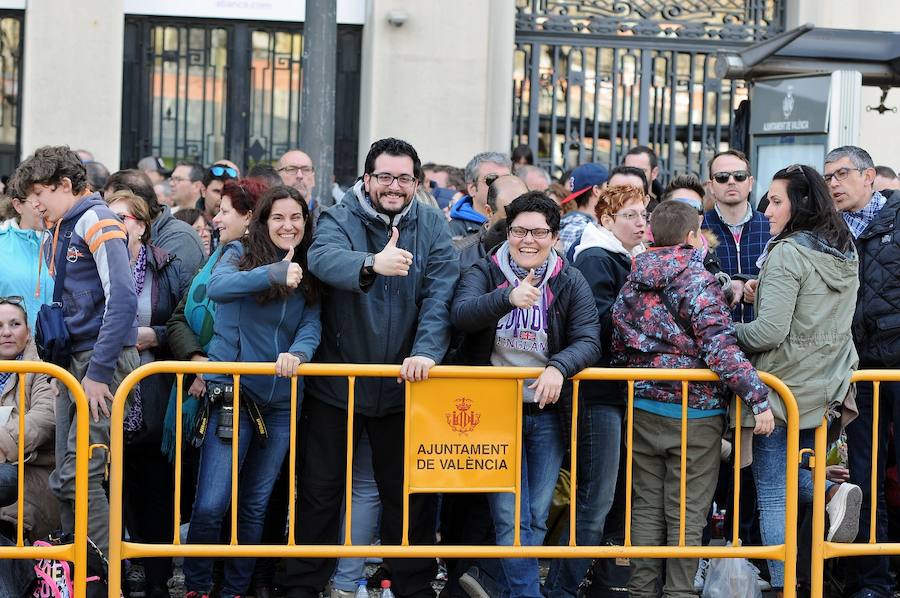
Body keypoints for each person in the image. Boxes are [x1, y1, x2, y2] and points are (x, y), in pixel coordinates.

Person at [281, 137, 458, 598]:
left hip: (404, 386)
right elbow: (320, 259)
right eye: (384, 177)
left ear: (417, 183)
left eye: (403, 178)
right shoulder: (341, 216)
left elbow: (440, 297)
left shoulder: (433, 224)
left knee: (407, 497)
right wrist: (371, 263)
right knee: (320, 492)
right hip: (338, 383)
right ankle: (303, 585)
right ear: (367, 179)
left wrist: (426, 353)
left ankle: (412, 586)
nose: (393, 186)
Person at [611, 200, 774, 598]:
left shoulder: (633, 280)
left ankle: (641, 591)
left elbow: (617, 341)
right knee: (686, 511)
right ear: (690, 237)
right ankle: (680, 593)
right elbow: (721, 349)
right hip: (695, 411)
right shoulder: (697, 281)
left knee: (647, 508)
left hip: (643, 405)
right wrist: (759, 399)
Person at [451, 192, 601, 598]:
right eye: (520, 230)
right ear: (509, 231)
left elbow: (589, 339)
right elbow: (461, 314)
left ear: (554, 236)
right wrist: (507, 297)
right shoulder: (486, 270)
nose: (528, 240)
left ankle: (492, 581)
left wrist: (559, 366)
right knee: (508, 516)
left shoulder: (569, 279)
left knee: (534, 516)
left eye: (538, 232)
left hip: (546, 411)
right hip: (494, 411)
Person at [183, 185, 322, 598]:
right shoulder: (236, 253)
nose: (288, 225)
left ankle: (235, 591)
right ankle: (196, 587)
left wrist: (300, 352)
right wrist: (274, 272)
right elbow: (218, 289)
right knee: (211, 503)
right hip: (233, 394)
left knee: (255, 504)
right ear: (263, 222)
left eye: (296, 217)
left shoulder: (311, 264)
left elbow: (312, 321)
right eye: (278, 217)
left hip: (281, 399)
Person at [734, 164, 862, 595]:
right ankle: (831, 492)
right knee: (790, 478)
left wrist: (727, 334)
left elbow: (769, 331)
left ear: (800, 204)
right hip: (830, 383)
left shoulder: (787, 252)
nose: (765, 210)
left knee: (772, 492)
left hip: (783, 387)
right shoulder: (845, 248)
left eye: (775, 201)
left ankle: (781, 585)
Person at [13, 145, 140, 556]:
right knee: (68, 477)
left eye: (41, 193)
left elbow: (122, 299)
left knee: (82, 475)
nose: (35, 203)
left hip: (98, 361)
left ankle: (103, 574)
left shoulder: (97, 219)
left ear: (65, 185)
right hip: (75, 361)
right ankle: (80, 568)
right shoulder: (64, 225)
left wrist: (100, 373)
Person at [545, 184, 646, 598]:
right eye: (631, 216)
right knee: (595, 497)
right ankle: (562, 588)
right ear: (606, 220)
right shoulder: (595, 257)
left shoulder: (627, 257)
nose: (642, 223)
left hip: (620, 390)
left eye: (644, 214)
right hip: (597, 391)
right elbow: (600, 325)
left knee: (611, 496)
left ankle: (591, 584)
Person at [825, 145, 900, 598]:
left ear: (869, 176)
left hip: (898, 364)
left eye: (843, 173)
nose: (834, 182)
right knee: (864, 477)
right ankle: (871, 579)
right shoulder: (827, 232)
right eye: (828, 175)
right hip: (856, 372)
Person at [104, 189, 187, 597]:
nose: (115, 226)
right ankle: (110, 575)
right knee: (107, 491)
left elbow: (181, 322)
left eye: (123, 218)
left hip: (152, 394)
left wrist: (151, 335)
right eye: (108, 218)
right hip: (105, 394)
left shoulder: (164, 266)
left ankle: (156, 580)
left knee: (153, 491)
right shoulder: (93, 264)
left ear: (141, 225)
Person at [0, 298, 58, 541]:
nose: (6, 333)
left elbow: (45, 418)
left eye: (15, 324)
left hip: (33, 475)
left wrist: (2, 444)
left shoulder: (44, 368)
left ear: (28, 331)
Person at [105, 169, 205, 290]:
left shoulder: (179, 238)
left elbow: (163, 301)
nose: (107, 219)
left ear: (136, 202)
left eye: (119, 216)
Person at [701, 150, 769, 322]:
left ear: (750, 182)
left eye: (739, 176)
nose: (731, 181)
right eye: (722, 177)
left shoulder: (771, 227)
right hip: (713, 336)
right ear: (711, 186)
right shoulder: (698, 230)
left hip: (764, 338)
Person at [0, 193, 54, 329]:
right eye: (37, 201)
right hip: (9, 345)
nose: (44, 207)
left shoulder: (69, 241)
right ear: (18, 205)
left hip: (59, 345)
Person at [456, 174, 528, 270]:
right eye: (511, 217)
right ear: (489, 212)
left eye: (526, 213)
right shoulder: (458, 256)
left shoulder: (543, 251)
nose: (520, 224)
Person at [449, 152, 512, 240]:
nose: (501, 184)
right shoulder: (452, 231)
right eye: (492, 179)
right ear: (472, 189)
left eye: (507, 179)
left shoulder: (522, 223)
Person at [557, 163, 609, 254]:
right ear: (596, 190)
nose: (610, 191)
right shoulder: (581, 228)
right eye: (607, 186)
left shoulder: (581, 224)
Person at [623, 145, 661, 210]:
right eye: (629, 170)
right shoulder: (610, 204)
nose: (634, 176)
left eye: (641, 171)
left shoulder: (663, 210)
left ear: (654, 173)